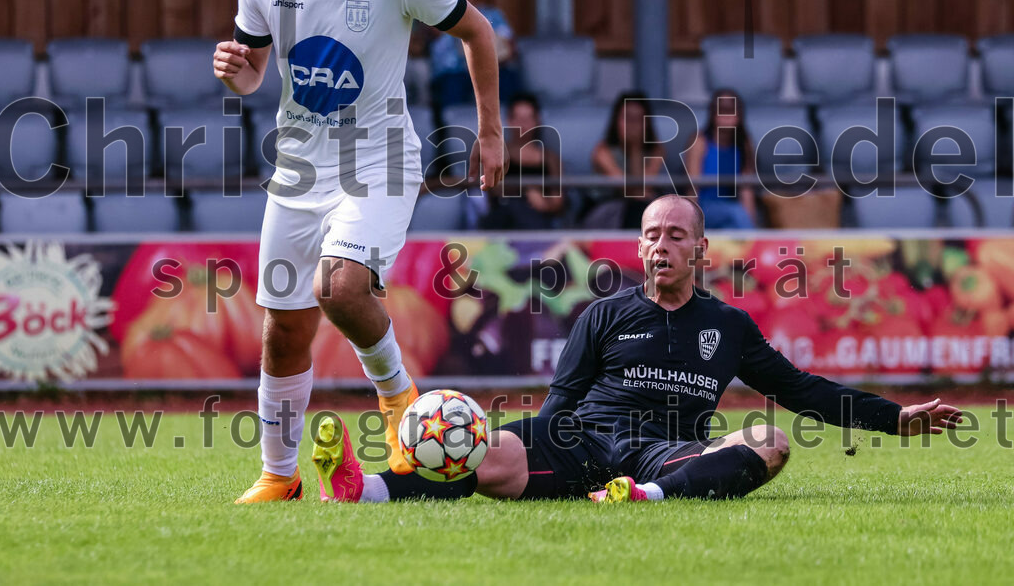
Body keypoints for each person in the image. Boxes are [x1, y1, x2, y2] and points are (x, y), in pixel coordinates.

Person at [311, 194, 963, 504]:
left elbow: (801, 389)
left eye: (676, 235)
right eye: (652, 234)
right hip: (584, 443)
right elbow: (560, 403)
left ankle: (645, 495)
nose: (661, 245)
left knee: (770, 440)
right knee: (484, 447)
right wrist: (523, 444)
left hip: (667, 452)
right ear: (640, 246)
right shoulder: (604, 313)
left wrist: (894, 418)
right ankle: (363, 489)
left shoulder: (730, 325)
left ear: (700, 249)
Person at [212, 0, 505, 504]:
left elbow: (479, 32)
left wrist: (490, 133)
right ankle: (279, 476)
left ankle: (399, 401)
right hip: (297, 170)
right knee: (283, 330)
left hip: (380, 162)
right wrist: (234, 74)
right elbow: (253, 71)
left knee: (339, 286)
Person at [429, 0, 520, 121]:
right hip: (452, 75)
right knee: (452, 86)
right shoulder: (434, 14)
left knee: (506, 79)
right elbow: (424, 39)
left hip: (490, 72)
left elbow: (510, 48)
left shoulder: (492, 15)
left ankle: (504, 128)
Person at [477, 92, 564, 230]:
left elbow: (558, 201)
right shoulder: (495, 155)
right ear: (509, 120)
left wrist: (544, 205)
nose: (523, 125)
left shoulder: (550, 159)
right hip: (502, 220)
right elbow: (489, 191)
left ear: (537, 120)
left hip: (539, 221)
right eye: (518, 118)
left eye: (528, 118)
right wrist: (527, 190)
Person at [581, 91, 667, 229]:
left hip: (640, 209)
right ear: (616, 121)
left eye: (638, 119)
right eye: (627, 118)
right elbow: (626, 188)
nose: (632, 125)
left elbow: (644, 186)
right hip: (604, 208)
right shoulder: (602, 151)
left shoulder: (656, 150)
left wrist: (636, 148)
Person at [685, 88, 757, 229]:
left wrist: (752, 225)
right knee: (737, 214)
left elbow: (746, 191)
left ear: (740, 114)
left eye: (731, 109)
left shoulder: (744, 143)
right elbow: (692, 188)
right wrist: (689, 225)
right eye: (722, 109)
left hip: (732, 210)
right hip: (704, 207)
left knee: (733, 227)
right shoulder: (700, 142)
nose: (727, 114)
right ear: (713, 113)